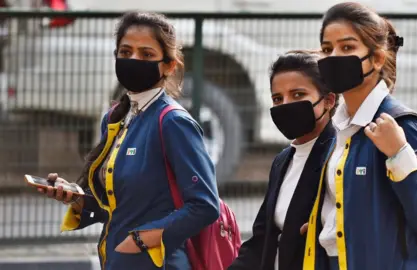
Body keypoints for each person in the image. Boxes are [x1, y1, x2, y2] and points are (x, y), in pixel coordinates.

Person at [37, 11, 220, 270]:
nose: (133, 60)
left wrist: (142, 239)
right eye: (125, 52)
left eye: (146, 54)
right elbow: (116, 207)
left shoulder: (173, 122)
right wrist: (75, 197)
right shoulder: (115, 118)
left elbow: (205, 205)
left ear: (169, 65)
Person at [301, 2, 417, 270]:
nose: (334, 56)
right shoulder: (338, 129)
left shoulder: (399, 124)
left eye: (347, 47)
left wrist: (399, 154)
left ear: (378, 58)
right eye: (326, 49)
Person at [229, 50, 338, 270]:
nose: (286, 104)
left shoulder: (339, 156)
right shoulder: (283, 160)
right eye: (278, 98)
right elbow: (262, 238)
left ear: (328, 101)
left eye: (298, 95)